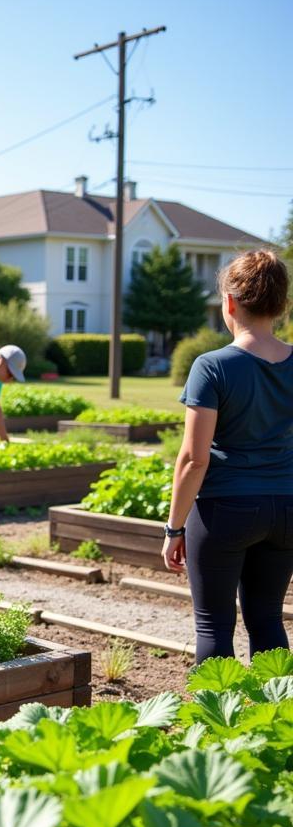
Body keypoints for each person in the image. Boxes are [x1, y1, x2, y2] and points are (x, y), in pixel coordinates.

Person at [163, 249, 293, 662]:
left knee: (214, 626)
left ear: (230, 302)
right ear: (281, 305)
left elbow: (192, 460)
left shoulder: (212, 366)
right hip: (287, 510)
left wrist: (174, 528)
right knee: (268, 618)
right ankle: (276, 721)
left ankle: (216, 724)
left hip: (225, 511)